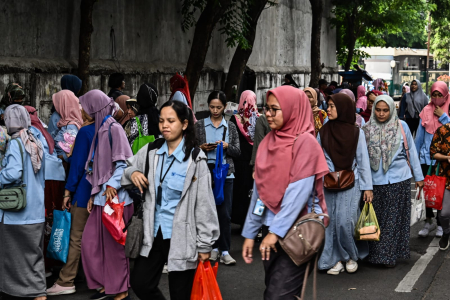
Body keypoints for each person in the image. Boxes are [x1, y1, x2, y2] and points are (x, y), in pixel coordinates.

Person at [121, 100, 219, 299]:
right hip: (153, 231)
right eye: (162, 121)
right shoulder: (151, 150)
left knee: (180, 293)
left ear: (184, 124)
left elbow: (204, 204)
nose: (165, 125)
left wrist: (205, 244)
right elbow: (127, 167)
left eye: (171, 121)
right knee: (140, 283)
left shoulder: (195, 158)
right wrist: (133, 173)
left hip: (182, 235)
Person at [241, 86, 329, 298]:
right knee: (274, 290)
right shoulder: (268, 143)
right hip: (270, 230)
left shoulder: (305, 143)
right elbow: (261, 193)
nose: (268, 114)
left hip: (297, 232)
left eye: (275, 109)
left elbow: (297, 196)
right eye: (266, 108)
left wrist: (274, 233)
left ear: (292, 110)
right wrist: (250, 232)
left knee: (278, 295)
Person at [79, 90, 134, 300]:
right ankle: (105, 284)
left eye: (85, 106)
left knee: (114, 248)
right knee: (90, 243)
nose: (82, 111)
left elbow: (123, 164)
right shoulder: (99, 129)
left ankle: (120, 291)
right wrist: (94, 195)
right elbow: (97, 168)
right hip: (103, 198)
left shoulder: (113, 128)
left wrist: (110, 185)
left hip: (115, 200)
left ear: (95, 107)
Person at [364, 95, 424, 267]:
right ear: (373, 109)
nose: (381, 114)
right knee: (377, 220)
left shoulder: (401, 126)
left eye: (385, 110)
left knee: (394, 220)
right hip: (375, 182)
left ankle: (387, 256)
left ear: (392, 110)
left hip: (399, 180)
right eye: (378, 110)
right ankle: (375, 254)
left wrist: (419, 177)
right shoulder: (366, 129)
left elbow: (411, 151)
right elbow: (362, 159)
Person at [317, 93, 373, 275]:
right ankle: (335, 259)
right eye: (329, 106)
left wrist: (367, 188)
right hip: (328, 182)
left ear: (343, 109)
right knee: (330, 221)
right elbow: (317, 159)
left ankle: (350, 255)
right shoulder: (323, 131)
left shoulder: (356, 132)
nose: (329, 109)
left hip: (352, 181)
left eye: (333, 106)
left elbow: (363, 161)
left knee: (345, 220)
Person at [46, 109, 96, 296]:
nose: (81, 111)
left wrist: (68, 192)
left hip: (83, 190)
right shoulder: (107, 127)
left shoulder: (85, 131)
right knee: (91, 237)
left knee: (75, 237)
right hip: (99, 190)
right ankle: (91, 277)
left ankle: (66, 280)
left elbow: (77, 165)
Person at [0, 104, 46, 300]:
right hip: (36, 208)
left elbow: (13, 172)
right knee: (32, 255)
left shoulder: (16, 143)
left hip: (18, 211)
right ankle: (37, 292)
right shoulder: (35, 139)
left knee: (15, 256)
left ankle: (33, 292)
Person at [195, 91, 241, 265]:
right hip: (205, 172)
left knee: (225, 214)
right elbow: (191, 148)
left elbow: (238, 152)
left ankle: (225, 250)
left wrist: (227, 146)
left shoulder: (230, 126)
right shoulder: (199, 125)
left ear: (224, 108)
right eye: (212, 107)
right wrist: (201, 147)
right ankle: (212, 248)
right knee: (207, 212)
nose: (215, 110)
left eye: (219, 107)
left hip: (226, 173)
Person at [25, 106, 66, 275]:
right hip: (54, 175)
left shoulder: (30, 131)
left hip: (43, 179)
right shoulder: (41, 127)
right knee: (50, 220)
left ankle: (43, 263)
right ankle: (49, 261)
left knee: (44, 220)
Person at [415, 82, 450, 238]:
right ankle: (428, 222)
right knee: (428, 192)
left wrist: (443, 115)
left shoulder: (448, 109)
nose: (436, 98)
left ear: (446, 95)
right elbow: (419, 138)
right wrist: (414, 160)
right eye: (434, 95)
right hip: (426, 159)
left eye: (439, 95)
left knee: (441, 192)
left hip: (443, 160)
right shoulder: (425, 111)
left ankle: (441, 223)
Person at [229, 90, 260, 226]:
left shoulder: (235, 119)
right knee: (254, 192)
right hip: (255, 160)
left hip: (239, 160)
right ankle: (254, 221)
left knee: (240, 190)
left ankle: (240, 219)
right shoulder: (260, 118)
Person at [51, 90, 83, 163]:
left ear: (63, 105)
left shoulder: (70, 126)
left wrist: (61, 157)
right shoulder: (66, 122)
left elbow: (69, 153)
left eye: (58, 103)